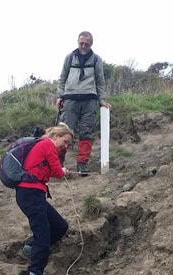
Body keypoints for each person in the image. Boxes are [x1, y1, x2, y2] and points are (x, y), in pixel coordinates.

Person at [16, 123, 74, 275]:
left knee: (60, 225)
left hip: (32, 193)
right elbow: (56, 172)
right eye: (65, 141)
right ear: (55, 136)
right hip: (31, 192)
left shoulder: (40, 145)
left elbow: (42, 170)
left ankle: (29, 249)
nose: (65, 146)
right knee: (43, 234)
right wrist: (63, 170)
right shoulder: (48, 144)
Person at [57, 31, 111, 176]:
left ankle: (82, 164)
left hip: (89, 99)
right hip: (70, 99)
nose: (83, 46)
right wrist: (60, 96)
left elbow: (100, 81)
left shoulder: (96, 59)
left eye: (86, 43)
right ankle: (58, 163)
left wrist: (101, 100)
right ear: (78, 41)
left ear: (91, 44)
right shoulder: (69, 57)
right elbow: (62, 78)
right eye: (81, 43)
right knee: (64, 131)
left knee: (86, 132)